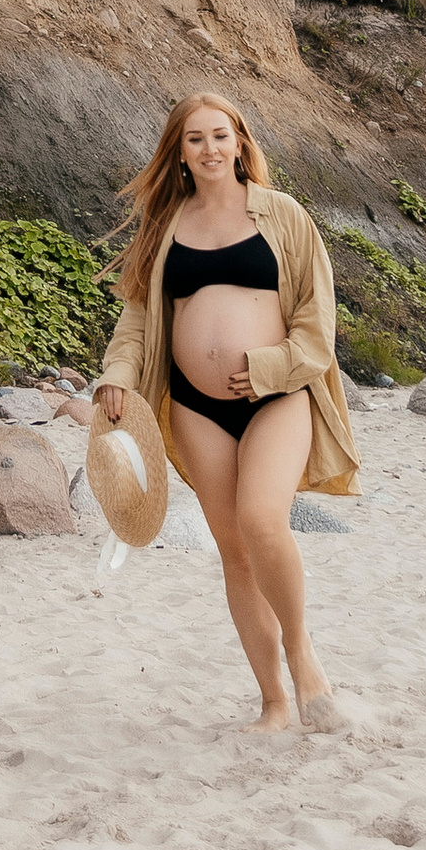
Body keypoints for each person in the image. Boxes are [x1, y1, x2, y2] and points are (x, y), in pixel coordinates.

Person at [91, 91, 356, 731]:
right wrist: (118, 377)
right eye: (194, 139)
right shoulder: (165, 227)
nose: (209, 149)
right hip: (193, 406)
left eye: (220, 135)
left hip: (276, 397)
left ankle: (302, 654)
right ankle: (272, 703)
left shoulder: (284, 216)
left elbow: (317, 329)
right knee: (234, 552)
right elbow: (138, 320)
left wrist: (263, 369)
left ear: (240, 142)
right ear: (178, 153)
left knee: (262, 519)